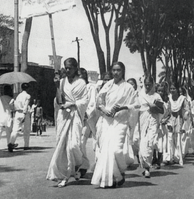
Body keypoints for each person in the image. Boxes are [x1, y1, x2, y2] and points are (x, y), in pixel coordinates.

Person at [91, 61, 136, 188]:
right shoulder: (108, 85)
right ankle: (113, 178)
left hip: (121, 122)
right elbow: (99, 102)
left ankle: (120, 170)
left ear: (123, 72)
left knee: (116, 149)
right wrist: (104, 109)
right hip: (107, 121)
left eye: (118, 70)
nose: (116, 73)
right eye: (114, 70)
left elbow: (136, 105)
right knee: (107, 150)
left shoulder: (128, 87)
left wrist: (123, 107)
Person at [46, 58, 89, 187]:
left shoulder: (81, 83)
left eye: (70, 68)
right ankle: (63, 175)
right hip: (63, 115)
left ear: (76, 68)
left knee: (74, 145)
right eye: (66, 67)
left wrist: (73, 104)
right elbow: (59, 101)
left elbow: (84, 101)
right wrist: (56, 85)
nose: (68, 70)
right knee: (62, 146)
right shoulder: (62, 81)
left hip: (75, 115)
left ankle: (78, 164)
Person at [138, 75, 164, 178]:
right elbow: (137, 109)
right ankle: (146, 168)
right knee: (143, 142)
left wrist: (154, 107)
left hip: (153, 121)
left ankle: (148, 165)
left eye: (150, 85)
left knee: (151, 141)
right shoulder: (140, 95)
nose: (148, 87)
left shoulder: (157, 96)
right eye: (146, 85)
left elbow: (162, 110)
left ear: (153, 84)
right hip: (143, 121)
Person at [79, 67, 99, 176]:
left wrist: (86, 114)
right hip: (79, 118)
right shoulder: (76, 88)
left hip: (89, 118)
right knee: (79, 141)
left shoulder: (91, 87)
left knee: (94, 140)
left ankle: (98, 164)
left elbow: (92, 103)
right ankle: (82, 165)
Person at [164, 82, 188, 165]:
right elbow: (168, 110)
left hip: (179, 119)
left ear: (178, 90)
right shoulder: (169, 98)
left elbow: (186, 109)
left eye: (174, 88)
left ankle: (178, 157)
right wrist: (164, 119)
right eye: (171, 89)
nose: (172, 90)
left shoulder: (182, 99)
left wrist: (185, 116)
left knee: (178, 139)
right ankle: (169, 158)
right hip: (170, 120)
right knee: (170, 138)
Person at [8, 83, 32, 152]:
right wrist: (24, 114)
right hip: (24, 113)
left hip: (17, 113)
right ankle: (26, 145)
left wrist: (13, 109)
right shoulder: (27, 96)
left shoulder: (17, 96)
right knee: (26, 130)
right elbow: (26, 105)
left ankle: (11, 142)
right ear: (27, 88)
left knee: (15, 129)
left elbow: (10, 103)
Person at [0, 85, 14, 151]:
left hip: (0, 115)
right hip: (7, 116)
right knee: (8, 131)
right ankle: (9, 144)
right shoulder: (11, 99)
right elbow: (12, 108)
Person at [155, 82, 171, 168]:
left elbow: (169, 113)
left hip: (163, 126)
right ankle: (154, 159)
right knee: (155, 144)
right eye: (158, 91)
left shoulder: (167, 102)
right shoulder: (155, 101)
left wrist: (165, 120)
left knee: (162, 144)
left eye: (162, 91)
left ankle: (160, 161)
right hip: (155, 125)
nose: (160, 93)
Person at [127, 77, 140, 166]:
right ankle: (129, 159)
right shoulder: (125, 95)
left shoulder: (138, 94)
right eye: (129, 84)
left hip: (137, 120)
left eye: (132, 84)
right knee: (128, 140)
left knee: (135, 139)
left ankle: (139, 155)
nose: (130, 86)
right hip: (127, 120)